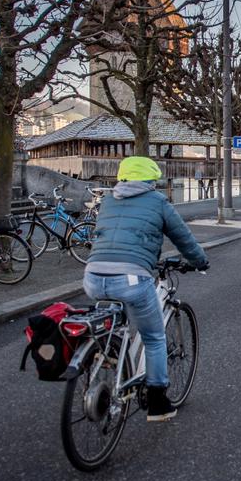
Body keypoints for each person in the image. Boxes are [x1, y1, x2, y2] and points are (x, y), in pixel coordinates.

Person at [83, 156, 210, 422]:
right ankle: (158, 403)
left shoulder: (107, 200)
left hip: (93, 276)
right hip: (131, 277)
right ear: (151, 180)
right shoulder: (158, 202)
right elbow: (182, 236)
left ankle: (111, 352)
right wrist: (200, 261)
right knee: (153, 338)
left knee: (121, 316)